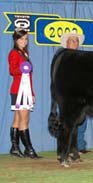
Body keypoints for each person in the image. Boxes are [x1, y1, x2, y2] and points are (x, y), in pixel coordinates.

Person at [8, 29, 41, 159]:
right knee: (24, 120)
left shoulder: (25, 53)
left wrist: (32, 93)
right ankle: (29, 149)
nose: (24, 41)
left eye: (26, 39)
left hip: (25, 90)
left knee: (17, 119)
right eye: (21, 39)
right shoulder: (14, 53)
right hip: (18, 90)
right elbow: (12, 70)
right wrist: (21, 69)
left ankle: (15, 147)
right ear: (16, 40)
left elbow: (29, 77)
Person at [60, 31, 90, 154]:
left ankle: (77, 148)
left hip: (81, 96)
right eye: (72, 40)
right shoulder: (63, 57)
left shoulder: (82, 58)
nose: (74, 43)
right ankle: (63, 150)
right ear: (66, 43)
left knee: (80, 123)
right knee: (66, 124)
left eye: (76, 41)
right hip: (67, 96)